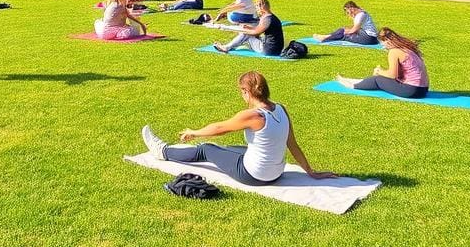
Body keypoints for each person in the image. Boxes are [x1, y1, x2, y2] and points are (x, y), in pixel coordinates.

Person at [141, 71, 334, 185]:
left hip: (253, 176)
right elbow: (292, 144)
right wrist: (310, 171)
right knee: (233, 149)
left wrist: (194, 132)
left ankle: (163, 151)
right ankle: (170, 151)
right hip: (276, 173)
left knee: (207, 149)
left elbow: (219, 128)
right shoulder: (281, 109)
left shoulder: (252, 115)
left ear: (246, 92)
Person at [336, 28, 429, 98]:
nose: (382, 46)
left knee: (378, 79)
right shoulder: (407, 49)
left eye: (382, 43)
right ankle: (357, 81)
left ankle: (353, 85)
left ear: (386, 41)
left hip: (411, 90)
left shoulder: (394, 52)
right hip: (423, 90)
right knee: (381, 78)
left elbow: (393, 75)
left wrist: (379, 71)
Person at [213, 0, 283, 56]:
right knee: (247, 33)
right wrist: (249, 28)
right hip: (276, 49)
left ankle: (226, 47)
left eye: (257, 7)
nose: (256, 9)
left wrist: (244, 30)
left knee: (246, 34)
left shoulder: (266, 19)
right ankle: (230, 46)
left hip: (268, 50)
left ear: (261, 7)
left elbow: (255, 33)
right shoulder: (271, 16)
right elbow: (258, 30)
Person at [312, 1, 378, 45]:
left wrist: (345, 32)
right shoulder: (362, 12)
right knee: (342, 30)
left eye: (347, 11)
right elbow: (357, 28)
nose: (347, 13)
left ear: (351, 8)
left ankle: (325, 38)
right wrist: (345, 30)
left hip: (369, 38)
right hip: (371, 38)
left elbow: (354, 30)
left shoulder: (359, 15)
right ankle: (326, 36)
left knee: (344, 35)